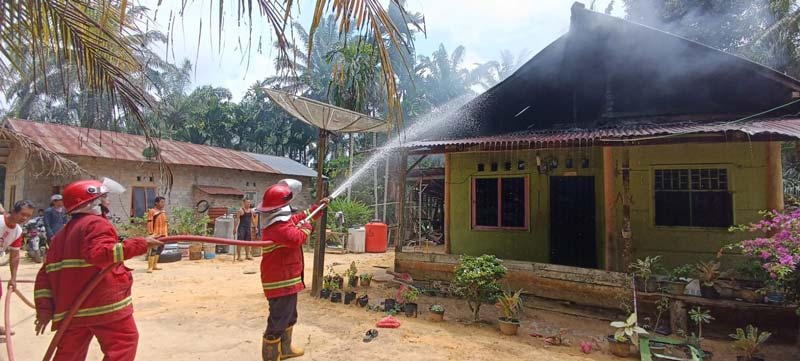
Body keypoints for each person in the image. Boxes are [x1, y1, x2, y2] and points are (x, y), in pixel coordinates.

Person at [33, 178, 162, 361]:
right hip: (103, 306)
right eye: (104, 198)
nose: (107, 202)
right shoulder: (95, 224)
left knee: (70, 354)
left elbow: (44, 276)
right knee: (123, 343)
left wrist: (44, 310)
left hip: (72, 311)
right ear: (92, 202)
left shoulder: (60, 236)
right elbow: (101, 254)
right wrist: (141, 244)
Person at [257, 183, 328, 361]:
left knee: (289, 315)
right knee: (278, 319)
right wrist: (307, 227)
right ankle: (271, 356)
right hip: (280, 283)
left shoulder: (281, 223)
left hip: (287, 281)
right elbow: (296, 237)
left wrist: (316, 208)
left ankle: (285, 349)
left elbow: (298, 218)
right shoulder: (278, 229)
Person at [0, 200, 36, 336]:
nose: (25, 218)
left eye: (28, 216)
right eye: (22, 214)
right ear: (14, 211)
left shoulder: (17, 231)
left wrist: (13, 278)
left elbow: (14, 256)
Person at [146, 196, 168, 273]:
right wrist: (151, 234)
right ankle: (150, 267)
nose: (163, 204)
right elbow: (149, 223)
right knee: (153, 249)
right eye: (161, 202)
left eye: (164, 202)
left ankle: (155, 265)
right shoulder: (152, 211)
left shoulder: (163, 212)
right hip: (155, 234)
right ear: (156, 203)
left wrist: (166, 233)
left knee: (160, 249)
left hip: (163, 234)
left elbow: (165, 224)